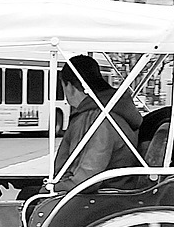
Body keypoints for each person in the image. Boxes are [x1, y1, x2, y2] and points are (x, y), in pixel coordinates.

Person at [33, 54, 143, 196]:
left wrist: (47, 191)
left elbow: (83, 179)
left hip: (97, 198)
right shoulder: (111, 112)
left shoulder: (95, 119)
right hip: (114, 191)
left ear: (69, 86)